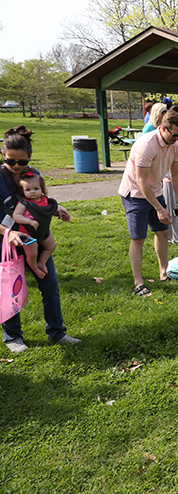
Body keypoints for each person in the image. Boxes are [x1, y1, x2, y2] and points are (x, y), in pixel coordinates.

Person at [1, 126, 81, 352]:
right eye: (11, 161)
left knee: (50, 287)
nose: (17, 167)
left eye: (22, 162)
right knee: (11, 292)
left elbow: (40, 200)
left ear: (30, 158)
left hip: (34, 237)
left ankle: (57, 333)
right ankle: (12, 337)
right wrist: (9, 232)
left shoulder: (32, 174)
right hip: (8, 243)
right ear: (2, 154)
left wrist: (57, 209)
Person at [118, 109, 178, 296]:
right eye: (174, 135)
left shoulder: (175, 145)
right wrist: (159, 208)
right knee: (138, 239)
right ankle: (138, 282)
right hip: (134, 194)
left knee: (162, 232)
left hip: (155, 190)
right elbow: (141, 181)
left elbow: (176, 174)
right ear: (163, 128)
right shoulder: (146, 145)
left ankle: (163, 272)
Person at [12, 172, 58, 279]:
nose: (32, 192)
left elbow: (48, 210)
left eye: (36, 189)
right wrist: (29, 221)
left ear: (42, 189)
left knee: (51, 246)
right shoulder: (24, 203)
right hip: (27, 233)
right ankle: (34, 268)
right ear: (22, 191)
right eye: (28, 190)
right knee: (32, 254)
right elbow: (16, 216)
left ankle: (42, 262)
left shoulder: (45, 200)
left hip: (43, 230)